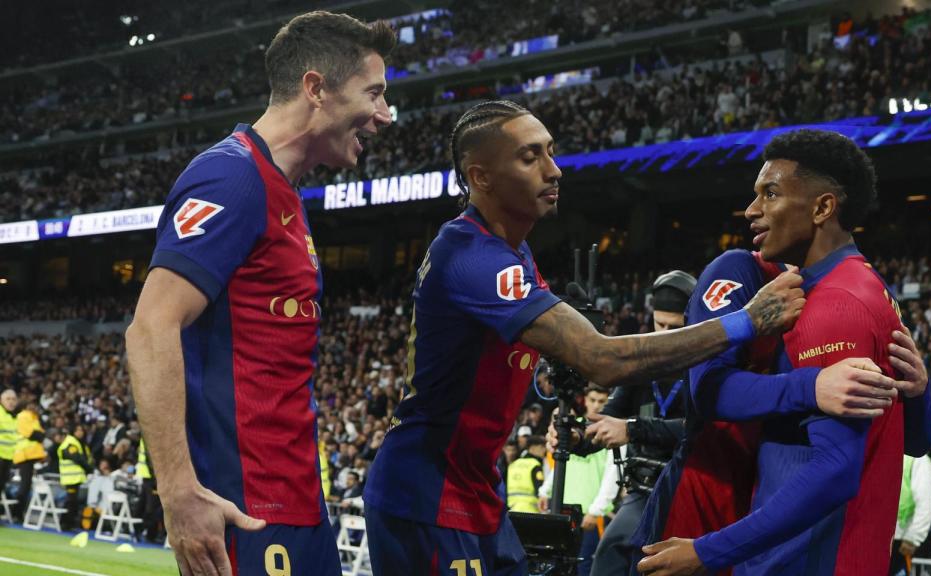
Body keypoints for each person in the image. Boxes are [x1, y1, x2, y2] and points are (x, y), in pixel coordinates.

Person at [363, 99, 815, 576]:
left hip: (473, 486)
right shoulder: (474, 256)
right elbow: (604, 359)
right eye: (529, 157)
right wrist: (746, 321)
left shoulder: (509, 252)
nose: (554, 170)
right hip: (427, 493)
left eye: (551, 152)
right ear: (481, 177)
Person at [125, 11, 395, 576]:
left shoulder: (285, 194)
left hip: (294, 502)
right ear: (316, 87)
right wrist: (178, 494)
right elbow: (151, 327)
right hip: (245, 511)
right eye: (374, 93)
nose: (385, 115)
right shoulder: (232, 177)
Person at [638, 129, 931, 575]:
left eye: (770, 193)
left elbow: (835, 469)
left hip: (804, 560)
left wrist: (707, 551)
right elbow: (916, 440)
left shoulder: (834, 304)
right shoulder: (870, 289)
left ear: (822, 207)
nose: (752, 210)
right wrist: (919, 395)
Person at [544, 269, 699, 576]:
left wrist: (631, 429)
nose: (664, 333)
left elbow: (696, 429)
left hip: (687, 487)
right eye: (660, 323)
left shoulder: (702, 366)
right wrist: (577, 437)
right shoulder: (640, 366)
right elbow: (608, 419)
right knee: (610, 555)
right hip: (642, 490)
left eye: (675, 326)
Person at [538, 386, 615, 576]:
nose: (596, 405)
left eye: (601, 401)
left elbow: (611, 476)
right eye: (593, 400)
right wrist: (544, 491)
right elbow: (561, 464)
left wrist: (595, 511)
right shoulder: (575, 429)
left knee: (584, 568)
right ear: (585, 401)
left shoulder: (610, 430)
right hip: (563, 508)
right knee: (557, 566)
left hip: (588, 515)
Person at [890, 455, 931, 575]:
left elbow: (924, 502)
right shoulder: (885, 453)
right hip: (877, 534)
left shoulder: (919, 460)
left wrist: (913, 538)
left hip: (900, 538)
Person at [13, 396, 46, 522]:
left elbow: (41, 434)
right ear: (26, 405)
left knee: (27, 485)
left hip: (31, 455)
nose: (35, 406)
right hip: (24, 454)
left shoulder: (33, 417)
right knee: (24, 485)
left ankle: (19, 512)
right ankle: (17, 513)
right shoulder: (23, 416)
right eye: (32, 404)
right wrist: (39, 435)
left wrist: (40, 435)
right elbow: (33, 434)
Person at [57, 423, 94, 531]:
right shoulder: (70, 443)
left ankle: (68, 523)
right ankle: (66, 524)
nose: (80, 432)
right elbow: (78, 459)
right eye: (78, 430)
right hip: (71, 478)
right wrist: (89, 468)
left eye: (82, 430)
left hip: (75, 478)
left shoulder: (79, 443)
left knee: (72, 501)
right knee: (71, 502)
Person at [507, 436, 547, 513]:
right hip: (530, 510)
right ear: (532, 448)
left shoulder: (513, 465)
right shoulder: (535, 465)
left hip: (512, 510)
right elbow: (540, 489)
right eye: (541, 447)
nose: (544, 450)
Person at [0, 389, 17, 506]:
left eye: (13, 399)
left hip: (8, 458)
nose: (11, 402)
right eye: (8, 399)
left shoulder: (14, 417)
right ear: (1, 401)